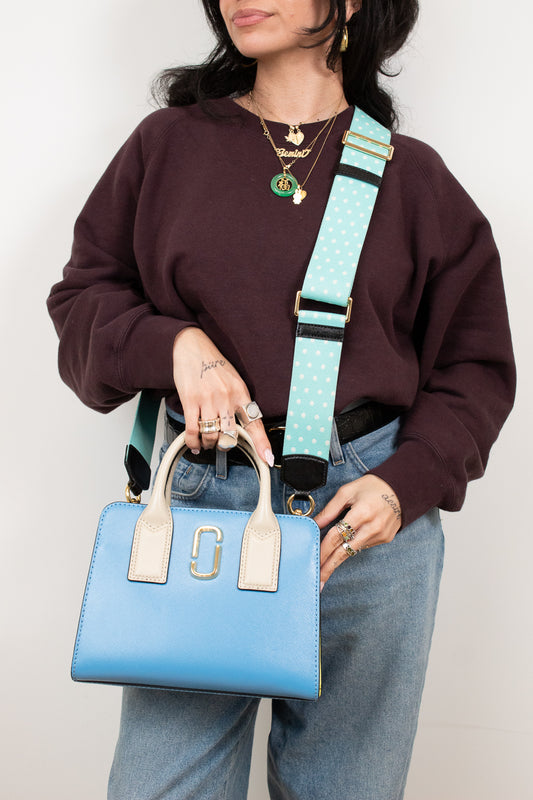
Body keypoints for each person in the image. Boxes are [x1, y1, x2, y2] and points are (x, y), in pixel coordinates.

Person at [47, 1, 515, 798]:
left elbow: (474, 365)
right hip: (198, 509)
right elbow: (83, 300)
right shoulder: (167, 148)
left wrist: (406, 483)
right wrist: (174, 344)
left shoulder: (415, 178)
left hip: (363, 524)